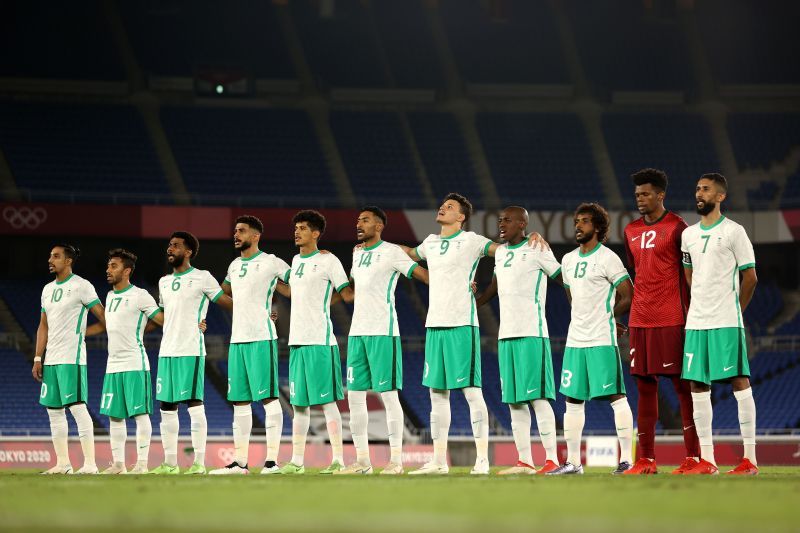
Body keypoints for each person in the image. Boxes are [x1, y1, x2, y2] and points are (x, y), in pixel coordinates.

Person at [399, 193, 544, 475]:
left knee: (471, 392)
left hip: (462, 324)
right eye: (443, 205)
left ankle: (481, 459)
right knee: (436, 394)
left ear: (461, 217)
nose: (443, 208)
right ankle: (439, 461)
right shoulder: (430, 242)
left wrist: (531, 236)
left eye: (450, 207)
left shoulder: (472, 241)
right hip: (434, 325)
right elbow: (408, 253)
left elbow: (505, 249)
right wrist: (377, 246)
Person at [335, 206, 429, 475]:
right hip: (357, 334)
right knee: (354, 397)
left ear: (379, 226)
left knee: (388, 397)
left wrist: (456, 285)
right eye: (358, 220)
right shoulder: (357, 253)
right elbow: (352, 292)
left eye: (365, 220)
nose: (359, 224)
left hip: (383, 332)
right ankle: (363, 461)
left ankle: (396, 462)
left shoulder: (391, 252)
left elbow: (421, 275)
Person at [547, 203, 635, 476]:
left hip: (600, 339)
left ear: (597, 227)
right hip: (575, 340)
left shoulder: (608, 258)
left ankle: (627, 460)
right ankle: (573, 462)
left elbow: (628, 295)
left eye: (584, 221)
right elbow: (572, 297)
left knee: (615, 396)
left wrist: (608, 318)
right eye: (577, 221)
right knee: (572, 399)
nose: (578, 225)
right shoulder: (569, 260)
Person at [623, 168, 700, 475]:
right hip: (640, 319)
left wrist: (692, 313)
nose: (640, 199)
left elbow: (688, 274)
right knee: (644, 387)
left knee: (683, 387)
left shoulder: (678, 227)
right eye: (637, 194)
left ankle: (693, 456)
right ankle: (646, 459)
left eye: (645, 194)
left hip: (671, 317)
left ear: (660, 195)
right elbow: (636, 272)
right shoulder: (630, 230)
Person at [680, 173, 758, 475]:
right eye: (697, 188)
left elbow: (750, 277)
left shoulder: (734, 232)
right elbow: (690, 276)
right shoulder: (688, 235)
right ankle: (708, 461)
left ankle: (749, 458)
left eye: (706, 189)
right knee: (697, 386)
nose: (699, 193)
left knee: (739, 381)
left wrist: (735, 310)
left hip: (726, 320)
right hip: (697, 322)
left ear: (720, 196)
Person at [475, 206, 560, 475]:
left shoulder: (538, 248)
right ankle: (524, 461)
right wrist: (471, 304)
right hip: (506, 335)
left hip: (532, 332)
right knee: (514, 401)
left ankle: (552, 460)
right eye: (499, 219)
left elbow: (563, 278)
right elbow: (494, 288)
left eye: (508, 220)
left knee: (537, 397)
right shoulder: (500, 253)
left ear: (523, 223)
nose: (501, 224)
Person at [210, 215, 291, 475]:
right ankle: (240, 463)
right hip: (237, 340)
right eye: (235, 231)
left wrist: (272, 307)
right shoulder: (234, 265)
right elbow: (221, 294)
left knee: (268, 398)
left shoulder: (270, 261)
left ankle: (271, 462)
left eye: (242, 231)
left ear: (256, 236)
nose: (236, 234)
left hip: (261, 338)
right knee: (240, 402)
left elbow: (296, 282)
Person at [277, 210, 355, 475]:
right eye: (295, 227)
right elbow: (291, 291)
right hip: (297, 342)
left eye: (302, 228)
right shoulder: (296, 261)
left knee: (328, 403)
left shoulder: (329, 260)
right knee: (299, 405)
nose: (296, 232)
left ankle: (338, 460)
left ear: (315, 233)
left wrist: (325, 304)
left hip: (320, 341)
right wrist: (271, 280)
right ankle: (297, 461)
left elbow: (346, 293)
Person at [149, 232, 233, 474]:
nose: (170, 249)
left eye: (175, 246)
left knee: (195, 405)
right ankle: (170, 464)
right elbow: (163, 317)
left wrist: (257, 310)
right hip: (167, 351)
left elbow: (224, 301)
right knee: (167, 406)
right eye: (168, 245)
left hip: (190, 349)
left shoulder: (202, 277)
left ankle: (198, 463)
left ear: (188, 252)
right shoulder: (164, 282)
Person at [33, 244, 105, 474]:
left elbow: (104, 318)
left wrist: (84, 334)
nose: (50, 260)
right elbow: (43, 326)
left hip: (71, 357)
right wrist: (37, 357)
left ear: (69, 260)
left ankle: (90, 464)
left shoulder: (82, 286)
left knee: (77, 408)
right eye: (50, 256)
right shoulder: (46, 289)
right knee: (54, 412)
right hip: (51, 358)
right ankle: (63, 464)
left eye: (56, 256)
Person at [99, 248, 161, 475]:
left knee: (139, 414)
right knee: (115, 415)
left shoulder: (140, 295)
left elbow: (162, 320)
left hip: (135, 363)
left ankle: (142, 465)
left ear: (127, 271)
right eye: (108, 265)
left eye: (113, 266)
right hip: (112, 364)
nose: (108, 269)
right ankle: (118, 464)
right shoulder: (109, 296)